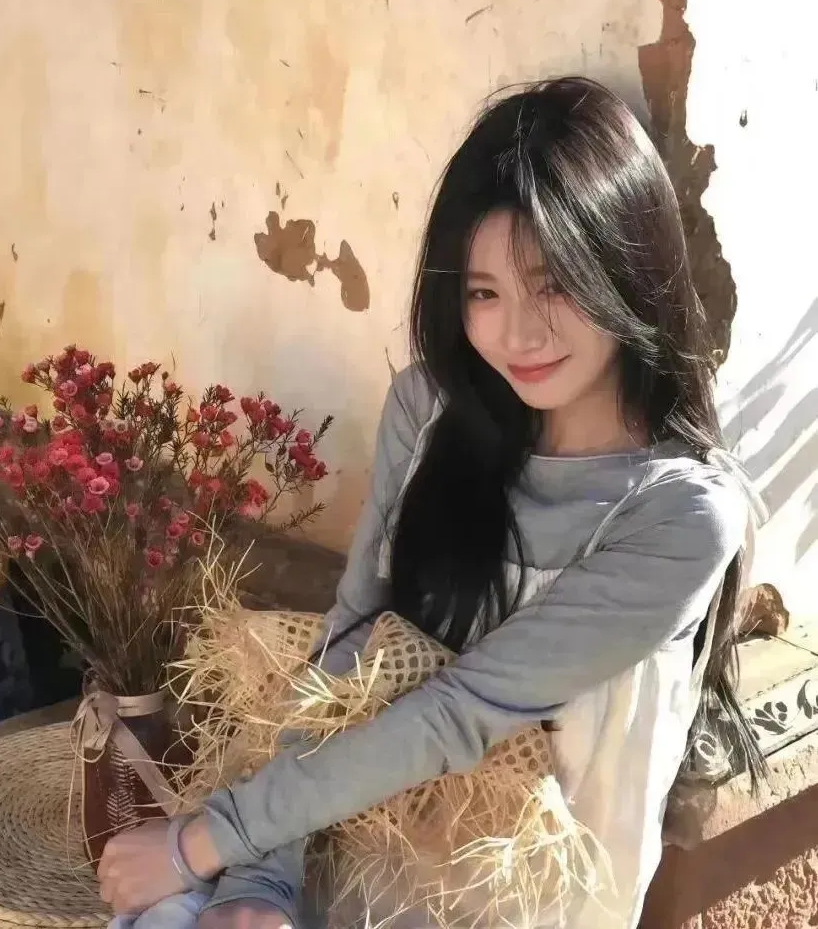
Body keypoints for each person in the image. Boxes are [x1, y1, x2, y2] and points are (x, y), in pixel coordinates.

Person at [96, 76, 766, 929]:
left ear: (629, 271)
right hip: (348, 854)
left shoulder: (678, 516)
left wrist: (205, 841)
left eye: (554, 283)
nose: (516, 334)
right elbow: (349, 645)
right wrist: (260, 878)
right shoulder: (432, 411)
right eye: (484, 292)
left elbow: (458, 714)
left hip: (515, 910)